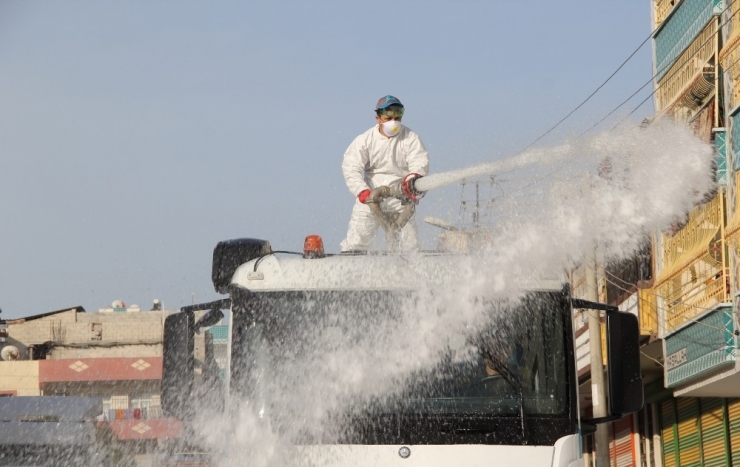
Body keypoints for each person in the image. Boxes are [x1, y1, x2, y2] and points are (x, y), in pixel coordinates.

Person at [340, 95, 430, 252]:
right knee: (356, 244)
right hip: (371, 199)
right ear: (378, 118)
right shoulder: (365, 140)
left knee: (410, 247)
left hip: (401, 200)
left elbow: (420, 163)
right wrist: (361, 191)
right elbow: (350, 166)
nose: (393, 121)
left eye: (397, 116)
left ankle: (410, 271)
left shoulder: (410, 138)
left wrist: (414, 178)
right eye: (388, 116)